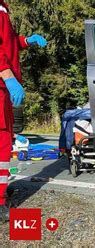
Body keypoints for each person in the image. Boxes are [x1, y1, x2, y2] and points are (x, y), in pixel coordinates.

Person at [0, 0, 47, 221]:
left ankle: (1, 195)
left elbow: (7, 44)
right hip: (1, 84)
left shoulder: (3, 9)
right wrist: (8, 76)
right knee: (2, 142)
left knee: (6, 141)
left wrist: (26, 41)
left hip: (4, 88)